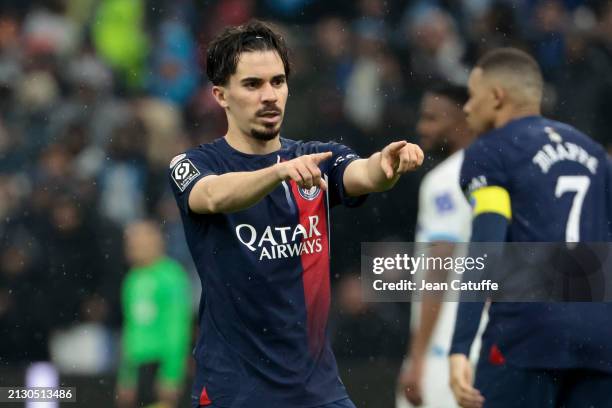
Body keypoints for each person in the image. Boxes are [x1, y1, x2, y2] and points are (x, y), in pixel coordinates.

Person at [168, 20, 424, 408]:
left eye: (277, 82)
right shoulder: (192, 163)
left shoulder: (315, 157)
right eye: (253, 84)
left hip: (317, 391)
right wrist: (275, 172)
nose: (269, 95)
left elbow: (363, 173)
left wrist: (385, 167)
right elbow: (212, 197)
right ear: (221, 95)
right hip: (234, 391)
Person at [449, 48, 612, 408]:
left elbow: (486, 249)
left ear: (496, 97)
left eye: (472, 96)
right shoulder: (596, 156)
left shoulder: (491, 152)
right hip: (600, 340)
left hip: (526, 334)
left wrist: (460, 346)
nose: (466, 107)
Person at [396, 83, 485, 408]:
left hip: (443, 350)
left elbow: (440, 267)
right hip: (484, 346)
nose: (422, 128)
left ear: (463, 118)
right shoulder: (500, 171)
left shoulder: (446, 180)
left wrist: (417, 359)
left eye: (433, 118)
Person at [116, 220, 192, 408]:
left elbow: (178, 327)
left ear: (157, 242)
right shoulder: (131, 279)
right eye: (130, 243)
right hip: (138, 366)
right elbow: (130, 331)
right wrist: (127, 377)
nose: (133, 248)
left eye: (139, 242)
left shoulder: (172, 276)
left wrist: (171, 373)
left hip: (160, 363)